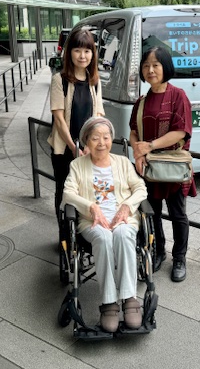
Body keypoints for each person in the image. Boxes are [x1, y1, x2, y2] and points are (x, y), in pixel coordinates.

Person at [63, 117, 147, 333]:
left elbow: (140, 188)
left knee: (123, 235)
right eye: (95, 138)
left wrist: (127, 206)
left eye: (106, 137)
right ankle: (109, 302)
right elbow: (68, 194)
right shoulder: (77, 165)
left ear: (112, 139)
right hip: (92, 221)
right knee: (103, 237)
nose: (101, 143)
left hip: (123, 218)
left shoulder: (123, 162)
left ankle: (129, 298)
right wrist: (91, 206)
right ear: (86, 142)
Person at [129, 46, 196, 283]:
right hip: (149, 168)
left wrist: (150, 146)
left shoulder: (178, 96)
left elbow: (181, 131)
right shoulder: (141, 101)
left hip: (172, 166)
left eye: (156, 65)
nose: (151, 70)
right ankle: (158, 251)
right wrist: (138, 152)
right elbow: (133, 132)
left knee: (178, 214)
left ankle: (180, 258)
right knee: (153, 213)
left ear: (165, 67)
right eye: (146, 65)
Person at [47, 29, 104, 233]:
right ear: (69, 52)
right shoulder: (60, 80)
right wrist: (73, 147)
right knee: (64, 192)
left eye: (87, 51)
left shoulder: (94, 81)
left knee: (86, 192)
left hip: (88, 150)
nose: (82, 56)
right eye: (77, 50)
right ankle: (64, 237)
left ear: (93, 54)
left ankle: (80, 236)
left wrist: (90, 146)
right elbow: (59, 118)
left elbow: (98, 115)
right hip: (65, 150)